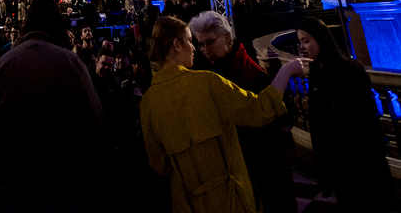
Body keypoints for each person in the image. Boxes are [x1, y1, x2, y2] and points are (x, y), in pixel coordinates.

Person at [141, 16, 307, 213]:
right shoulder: (207, 82)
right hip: (229, 197)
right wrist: (286, 71)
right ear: (177, 45)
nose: (195, 48)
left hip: (186, 202)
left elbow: (160, 165)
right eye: (191, 41)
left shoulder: (148, 102)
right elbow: (260, 109)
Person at [0, 0, 104, 212]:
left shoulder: (2, 65)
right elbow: (95, 125)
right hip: (62, 186)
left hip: (16, 187)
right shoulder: (70, 62)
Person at [190, 11, 295, 213]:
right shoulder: (208, 72)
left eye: (210, 42)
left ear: (228, 38)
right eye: (201, 44)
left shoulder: (252, 74)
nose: (205, 50)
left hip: (259, 161)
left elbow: (269, 132)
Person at [297, 17, 395, 212]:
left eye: (306, 41)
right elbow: (319, 127)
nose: (301, 47)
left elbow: (367, 123)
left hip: (361, 164)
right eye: (300, 42)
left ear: (321, 40)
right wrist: (324, 174)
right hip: (337, 166)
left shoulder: (350, 71)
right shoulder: (316, 71)